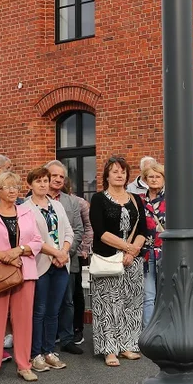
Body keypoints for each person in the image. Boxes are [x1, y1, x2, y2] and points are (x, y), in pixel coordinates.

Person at [0, 172, 43, 384]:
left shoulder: (27, 213)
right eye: (8, 187)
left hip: (25, 272)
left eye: (15, 186)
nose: (13, 190)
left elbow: (38, 241)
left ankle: (24, 365)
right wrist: (5, 256)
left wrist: (19, 250)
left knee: (23, 322)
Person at [88, 156, 149, 367]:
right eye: (114, 171)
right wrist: (126, 248)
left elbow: (143, 230)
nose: (119, 174)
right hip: (108, 258)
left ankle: (128, 345)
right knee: (108, 304)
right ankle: (109, 349)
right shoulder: (98, 199)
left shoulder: (135, 199)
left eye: (122, 171)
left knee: (131, 304)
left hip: (132, 260)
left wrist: (133, 252)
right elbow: (101, 231)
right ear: (106, 175)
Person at [22, 167, 74, 372]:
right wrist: (55, 253)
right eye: (38, 181)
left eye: (45, 180)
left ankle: (49, 350)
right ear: (30, 185)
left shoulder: (57, 205)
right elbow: (31, 237)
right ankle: (36, 354)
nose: (43, 184)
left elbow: (68, 231)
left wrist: (63, 252)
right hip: (41, 264)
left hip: (61, 264)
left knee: (54, 311)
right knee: (39, 311)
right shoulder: (25, 208)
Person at [46, 160, 92, 355]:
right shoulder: (32, 199)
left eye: (61, 176)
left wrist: (65, 253)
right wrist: (51, 253)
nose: (57, 179)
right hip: (42, 258)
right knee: (44, 302)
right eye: (54, 175)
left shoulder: (72, 201)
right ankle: (44, 341)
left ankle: (66, 338)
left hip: (67, 259)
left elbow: (78, 230)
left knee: (68, 301)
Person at [140, 161, 166, 327]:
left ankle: (165, 328)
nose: (154, 179)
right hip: (146, 254)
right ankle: (148, 332)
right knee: (148, 295)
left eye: (158, 176)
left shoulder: (171, 200)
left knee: (165, 294)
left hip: (166, 252)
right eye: (151, 176)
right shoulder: (139, 200)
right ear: (145, 179)